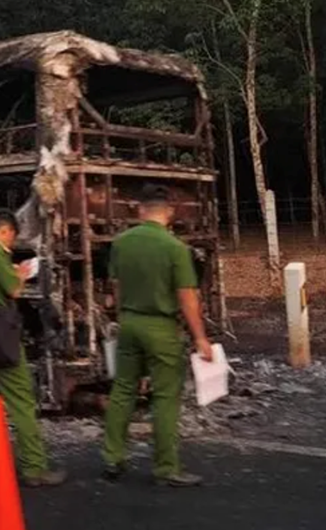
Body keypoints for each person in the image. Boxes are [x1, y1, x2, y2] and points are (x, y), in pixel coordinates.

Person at [101, 184, 214, 488]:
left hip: (129, 323)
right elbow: (188, 296)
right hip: (162, 328)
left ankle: (113, 457)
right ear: (170, 213)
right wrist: (200, 337)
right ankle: (166, 467)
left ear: (140, 210)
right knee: (165, 397)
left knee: (123, 389)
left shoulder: (121, 243)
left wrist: (123, 317)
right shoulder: (175, 248)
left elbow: (116, 286)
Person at [0, 208, 67, 487]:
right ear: (5, 230)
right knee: (21, 400)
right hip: (1, 337)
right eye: (11, 239)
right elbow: (13, 290)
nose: (11, 244)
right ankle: (34, 468)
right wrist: (19, 272)